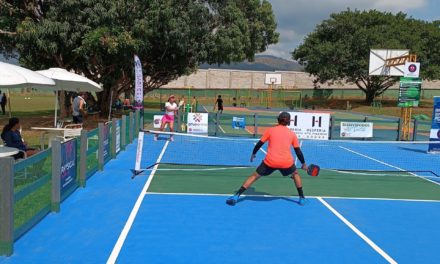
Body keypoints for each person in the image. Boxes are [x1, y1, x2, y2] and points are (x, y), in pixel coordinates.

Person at [226, 112, 309, 206]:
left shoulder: (270, 130)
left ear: (278, 120)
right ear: (288, 122)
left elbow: (259, 144)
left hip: (270, 162)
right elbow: (298, 151)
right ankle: (302, 198)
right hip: (286, 163)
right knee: (295, 174)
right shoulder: (292, 134)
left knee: (254, 176)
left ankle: (236, 196)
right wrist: (303, 164)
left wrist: (253, 153)